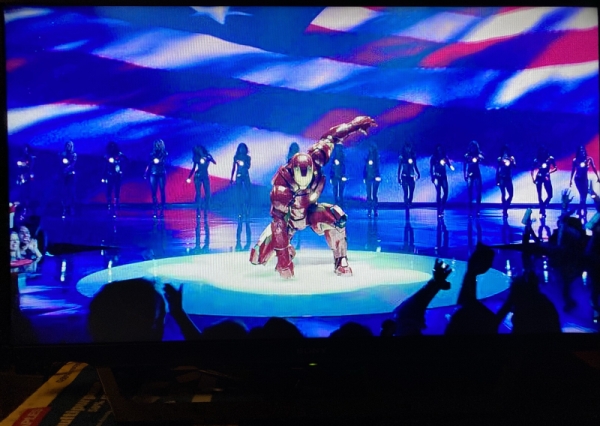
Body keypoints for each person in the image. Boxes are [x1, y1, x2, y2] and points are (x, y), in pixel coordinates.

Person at [250, 116, 377, 278]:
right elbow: (279, 223)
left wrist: (354, 125)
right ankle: (287, 251)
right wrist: (283, 259)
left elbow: (331, 137)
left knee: (337, 216)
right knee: (257, 258)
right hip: (289, 221)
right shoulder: (281, 187)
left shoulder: (317, 157)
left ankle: (341, 261)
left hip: (310, 212)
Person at [570, 145, 599, 219]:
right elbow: (573, 170)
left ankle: (579, 211)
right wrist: (570, 180)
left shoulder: (589, 159)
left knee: (584, 196)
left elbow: (594, 168)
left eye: (583, 151)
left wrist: (598, 177)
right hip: (578, 179)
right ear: (578, 152)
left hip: (585, 179)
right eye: (581, 151)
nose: (582, 152)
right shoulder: (575, 160)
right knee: (582, 195)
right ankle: (584, 210)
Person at [187, 145, 216, 219]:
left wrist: (210, 158)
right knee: (198, 193)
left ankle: (206, 207)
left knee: (208, 193)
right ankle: (198, 208)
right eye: (197, 150)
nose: (198, 151)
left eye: (199, 149)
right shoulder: (196, 158)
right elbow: (194, 168)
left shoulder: (208, 156)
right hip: (198, 176)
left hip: (205, 176)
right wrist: (189, 177)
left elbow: (214, 162)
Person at [144, 139, 168, 218]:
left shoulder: (164, 153)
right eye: (156, 144)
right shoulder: (151, 153)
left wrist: (157, 159)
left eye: (159, 144)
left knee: (162, 190)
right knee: (153, 191)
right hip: (153, 173)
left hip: (161, 173)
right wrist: (145, 172)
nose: (157, 145)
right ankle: (155, 205)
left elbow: (161, 159)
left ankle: (162, 207)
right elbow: (149, 163)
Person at [531, 146, 557, 218]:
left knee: (550, 195)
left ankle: (542, 208)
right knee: (539, 195)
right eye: (541, 151)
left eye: (544, 150)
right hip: (539, 177)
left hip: (546, 177)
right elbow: (532, 169)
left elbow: (555, 168)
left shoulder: (550, 159)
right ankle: (542, 210)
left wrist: (549, 172)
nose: (543, 152)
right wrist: (533, 178)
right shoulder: (537, 159)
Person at [430, 145, 454, 218]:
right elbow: (431, 168)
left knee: (446, 192)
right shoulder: (433, 158)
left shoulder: (445, 157)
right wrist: (432, 176)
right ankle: (439, 210)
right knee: (439, 192)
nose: (439, 150)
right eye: (438, 149)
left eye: (440, 149)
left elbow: (449, 164)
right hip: (436, 177)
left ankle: (442, 207)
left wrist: (451, 167)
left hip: (443, 177)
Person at [102, 141, 125, 217]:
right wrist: (104, 176)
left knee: (117, 189)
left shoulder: (119, 154)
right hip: (110, 175)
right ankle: (109, 203)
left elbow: (123, 162)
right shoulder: (107, 155)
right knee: (109, 189)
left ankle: (117, 203)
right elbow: (105, 166)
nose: (112, 148)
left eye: (113, 146)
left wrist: (121, 170)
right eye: (111, 146)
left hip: (117, 175)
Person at [230, 143, 252, 220]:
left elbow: (248, 166)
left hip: (246, 175)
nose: (242, 149)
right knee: (238, 194)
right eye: (240, 148)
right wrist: (231, 177)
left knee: (248, 193)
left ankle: (247, 209)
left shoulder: (248, 157)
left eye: (243, 148)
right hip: (239, 176)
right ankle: (240, 210)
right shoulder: (236, 157)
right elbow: (233, 168)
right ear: (238, 149)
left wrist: (243, 163)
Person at [398, 141, 420, 211]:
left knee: (411, 191)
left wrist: (418, 173)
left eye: (409, 148)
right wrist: (398, 177)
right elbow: (399, 167)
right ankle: (406, 204)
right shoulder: (402, 157)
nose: (408, 149)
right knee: (405, 192)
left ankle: (410, 202)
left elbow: (415, 166)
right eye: (406, 148)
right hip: (404, 176)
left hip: (411, 176)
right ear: (404, 148)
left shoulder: (413, 156)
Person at [463, 140, 484, 217]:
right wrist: (464, 174)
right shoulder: (466, 155)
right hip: (470, 174)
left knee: (478, 192)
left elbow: (482, 158)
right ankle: (470, 210)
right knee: (470, 192)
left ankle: (478, 210)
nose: (473, 148)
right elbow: (464, 165)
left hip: (477, 174)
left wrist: (479, 158)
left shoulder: (479, 154)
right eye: (472, 147)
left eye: (474, 147)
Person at [15, 144, 35, 220]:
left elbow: (30, 168)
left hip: (27, 178)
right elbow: (18, 166)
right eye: (23, 149)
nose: (24, 150)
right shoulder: (21, 157)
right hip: (21, 177)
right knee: (20, 193)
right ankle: (21, 209)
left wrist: (26, 176)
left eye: (26, 149)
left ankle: (26, 209)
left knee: (27, 194)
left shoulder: (30, 158)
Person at [496, 144, 516, 219]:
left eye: (506, 151)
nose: (505, 153)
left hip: (508, 178)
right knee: (503, 194)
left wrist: (512, 161)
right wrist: (497, 180)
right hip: (501, 177)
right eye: (504, 151)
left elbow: (515, 166)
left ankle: (506, 207)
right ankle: (505, 211)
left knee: (511, 194)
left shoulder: (511, 158)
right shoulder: (500, 159)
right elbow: (498, 169)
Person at [60, 141, 77, 218]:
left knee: (71, 191)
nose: (68, 146)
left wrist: (67, 168)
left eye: (69, 145)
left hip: (71, 175)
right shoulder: (63, 154)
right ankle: (64, 208)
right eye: (67, 145)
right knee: (64, 192)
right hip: (64, 175)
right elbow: (61, 162)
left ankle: (71, 207)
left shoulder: (74, 154)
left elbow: (73, 163)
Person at [364, 141, 381, 217]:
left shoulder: (377, 157)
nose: (370, 149)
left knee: (374, 195)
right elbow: (365, 168)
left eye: (372, 147)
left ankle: (375, 210)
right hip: (368, 177)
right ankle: (369, 210)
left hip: (375, 177)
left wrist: (377, 176)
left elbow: (378, 168)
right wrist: (365, 176)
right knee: (369, 195)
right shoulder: (368, 157)